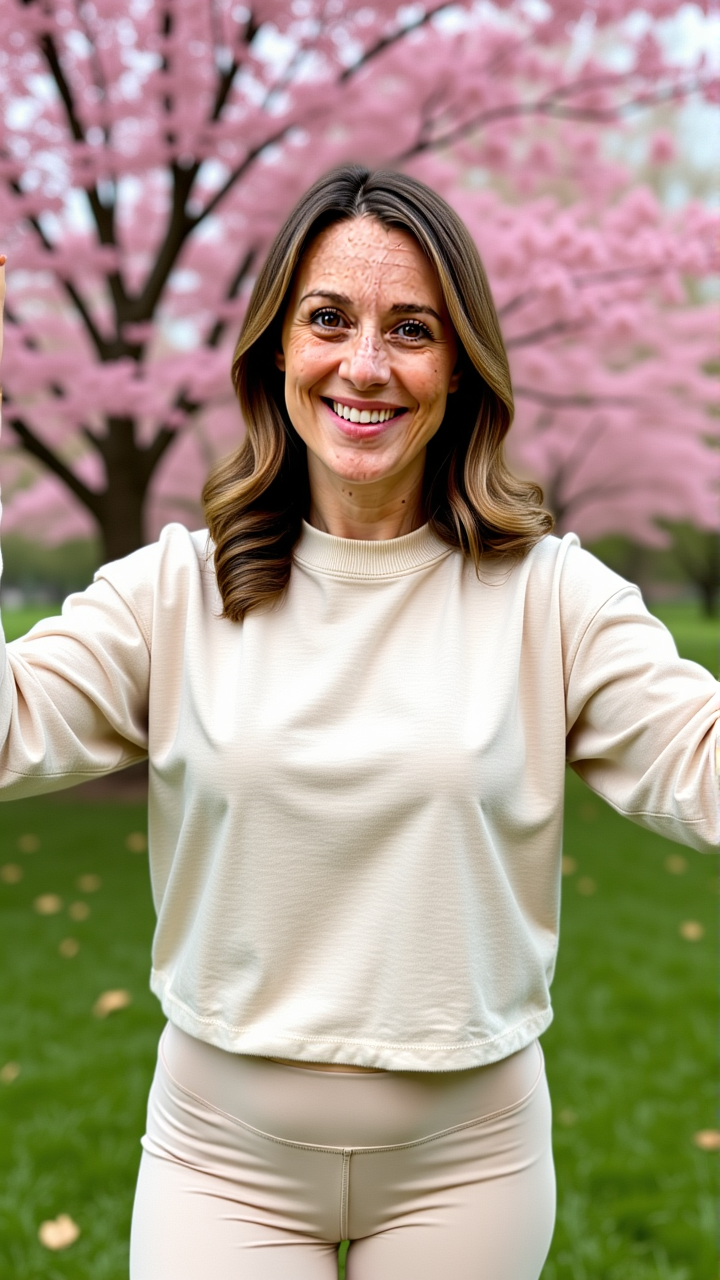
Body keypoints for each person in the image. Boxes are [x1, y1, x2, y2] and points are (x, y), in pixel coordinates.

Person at [0, 166, 717, 1280]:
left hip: (468, 1166)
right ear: (276, 350)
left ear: (460, 366)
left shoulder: (550, 596)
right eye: (329, 319)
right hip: (219, 1162)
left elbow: (703, 762)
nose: (367, 365)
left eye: (413, 328)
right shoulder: (174, 591)